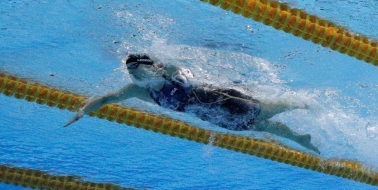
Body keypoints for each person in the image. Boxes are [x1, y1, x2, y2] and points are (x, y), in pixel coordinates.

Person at [65, 54, 318, 153]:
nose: (134, 74)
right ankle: (300, 138)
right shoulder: (139, 92)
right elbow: (108, 98)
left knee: (269, 110)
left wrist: (182, 72)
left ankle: (304, 103)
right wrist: (83, 110)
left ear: (151, 67)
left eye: (137, 69)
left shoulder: (168, 72)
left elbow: (182, 69)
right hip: (213, 116)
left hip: (225, 101)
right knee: (261, 127)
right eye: (130, 71)